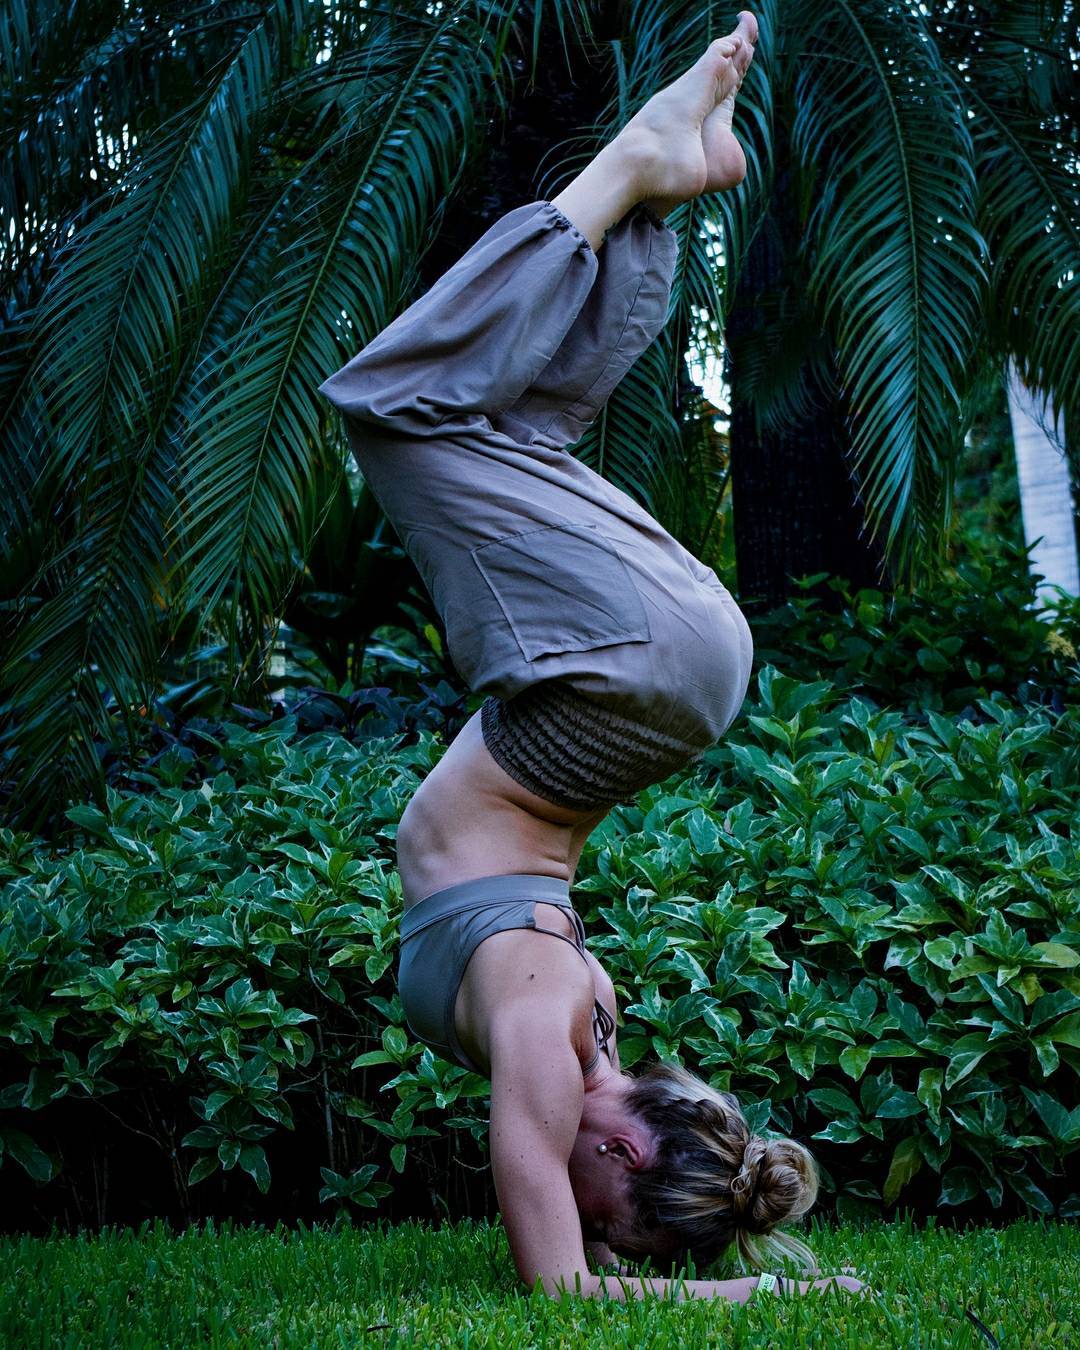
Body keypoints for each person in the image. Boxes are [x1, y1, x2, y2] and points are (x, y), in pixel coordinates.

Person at [319, 10, 871, 1304]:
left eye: (613, 1233)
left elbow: (595, 1226)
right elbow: (563, 1291)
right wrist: (750, 1292)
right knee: (393, 410)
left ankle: (658, 201)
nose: (593, 1226)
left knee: (510, 427)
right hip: (633, 668)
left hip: (655, 669)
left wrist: (700, 1240)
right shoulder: (545, 1016)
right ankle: (630, 165)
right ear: (620, 1148)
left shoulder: (583, 1011)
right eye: (613, 1213)